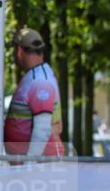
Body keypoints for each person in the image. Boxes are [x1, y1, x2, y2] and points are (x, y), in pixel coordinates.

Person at [4, 28, 65, 157]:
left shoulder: (39, 81)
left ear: (19, 51)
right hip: (35, 166)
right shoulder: (37, 76)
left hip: (38, 168)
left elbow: (42, 129)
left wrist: (29, 165)